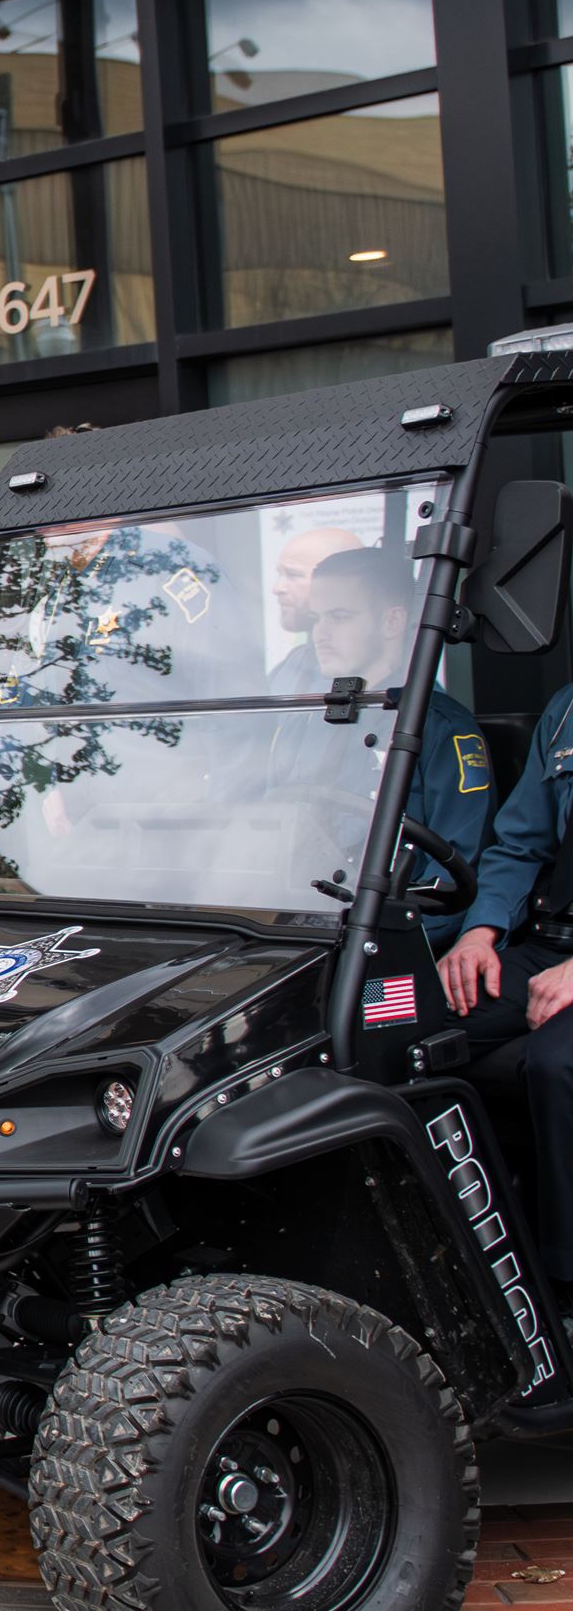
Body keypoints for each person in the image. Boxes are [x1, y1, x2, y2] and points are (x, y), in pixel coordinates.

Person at [436, 678, 573, 1291]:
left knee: (558, 1062)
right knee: (410, 1027)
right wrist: (480, 931)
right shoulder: (566, 708)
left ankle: (561, 1286)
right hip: (551, 939)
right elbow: (520, 843)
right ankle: (453, 1261)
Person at [279, 546, 487, 947]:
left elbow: (455, 881)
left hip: (383, 942)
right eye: (317, 618)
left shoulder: (441, 730)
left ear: (392, 621)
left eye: (340, 617)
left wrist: (381, 936)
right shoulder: (301, 723)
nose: (320, 634)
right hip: (295, 931)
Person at [268, 526, 361, 694]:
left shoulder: (366, 669)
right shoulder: (292, 664)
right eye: (280, 574)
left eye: (293, 575)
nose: (277, 588)